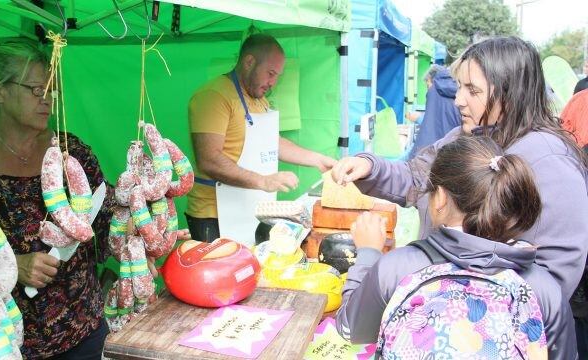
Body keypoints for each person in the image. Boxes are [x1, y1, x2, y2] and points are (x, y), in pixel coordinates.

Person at [331, 36, 588, 302]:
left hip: (497, 326)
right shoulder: (463, 137)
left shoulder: (551, 160)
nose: (458, 100)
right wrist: (370, 167)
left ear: (511, 95)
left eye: (472, 91)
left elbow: (555, 271)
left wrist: (484, 314)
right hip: (444, 310)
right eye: (459, 87)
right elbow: (418, 177)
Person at [336, 136, 577, 359]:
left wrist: (368, 254)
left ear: (439, 197)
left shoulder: (398, 268)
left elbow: (351, 329)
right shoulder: (544, 289)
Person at [0, 38, 113, 359]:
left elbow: (106, 220)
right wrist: (12, 265)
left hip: (82, 327)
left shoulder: (72, 151)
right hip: (4, 339)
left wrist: (137, 229)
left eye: (51, 90)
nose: (47, 101)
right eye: (35, 89)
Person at [186, 33, 336, 243]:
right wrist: (263, 181)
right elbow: (208, 159)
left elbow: (272, 143)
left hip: (249, 206)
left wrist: (318, 160)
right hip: (214, 215)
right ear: (249, 62)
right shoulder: (213, 96)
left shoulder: (259, 100)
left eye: (277, 76)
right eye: (270, 73)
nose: (273, 82)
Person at [407, 65, 460, 159]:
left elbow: (430, 128)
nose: (427, 89)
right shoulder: (459, 89)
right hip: (452, 153)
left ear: (431, 79)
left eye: (427, 85)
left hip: (431, 154)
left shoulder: (434, 91)